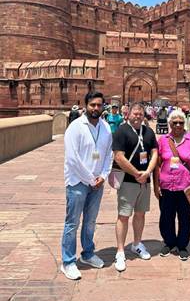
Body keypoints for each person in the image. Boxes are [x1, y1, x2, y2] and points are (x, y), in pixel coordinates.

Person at [61, 92, 113, 280]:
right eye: (92, 105)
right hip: (77, 182)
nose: (96, 108)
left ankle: (88, 253)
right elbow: (72, 158)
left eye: (99, 105)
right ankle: (68, 262)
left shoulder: (106, 127)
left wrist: (104, 176)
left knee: (90, 222)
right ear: (85, 106)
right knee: (72, 223)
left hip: (97, 183)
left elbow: (109, 154)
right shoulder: (75, 127)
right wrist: (91, 179)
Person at [113, 103, 158, 272]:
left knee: (140, 214)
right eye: (135, 114)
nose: (138, 116)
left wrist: (147, 172)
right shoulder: (121, 131)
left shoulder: (148, 131)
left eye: (140, 114)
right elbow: (118, 157)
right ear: (128, 114)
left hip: (144, 181)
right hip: (128, 181)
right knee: (123, 215)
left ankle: (137, 244)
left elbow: (155, 153)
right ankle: (120, 251)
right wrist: (137, 174)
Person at [154, 110, 190, 261]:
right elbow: (157, 164)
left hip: (186, 186)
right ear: (169, 124)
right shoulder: (163, 140)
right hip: (167, 185)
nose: (177, 125)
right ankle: (169, 242)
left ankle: (182, 245)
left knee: (185, 217)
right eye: (174, 122)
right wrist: (156, 186)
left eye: (180, 122)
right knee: (166, 216)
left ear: (184, 123)